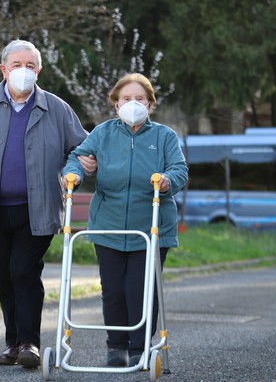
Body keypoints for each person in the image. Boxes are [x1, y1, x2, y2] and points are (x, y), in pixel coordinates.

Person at [0, 39, 96, 369]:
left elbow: (84, 147)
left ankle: (30, 343)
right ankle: (13, 343)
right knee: (3, 277)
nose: (23, 71)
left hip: (38, 209)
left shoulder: (56, 108)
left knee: (23, 271)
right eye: (16, 65)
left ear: (39, 70)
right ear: (3, 69)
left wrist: (82, 166)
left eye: (30, 65)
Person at [62, 72, 188, 367]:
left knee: (140, 290)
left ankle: (139, 348)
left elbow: (179, 170)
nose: (133, 104)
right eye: (126, 99)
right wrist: (75, 174)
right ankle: (115, 347)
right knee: (113, 291)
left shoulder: (164, 136)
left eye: (140, 99)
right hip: (109, 223)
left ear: (150, 104)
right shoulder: (103, 133)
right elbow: (77, 159)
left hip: (152, 226)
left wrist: (167, 180)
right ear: (116, 104)